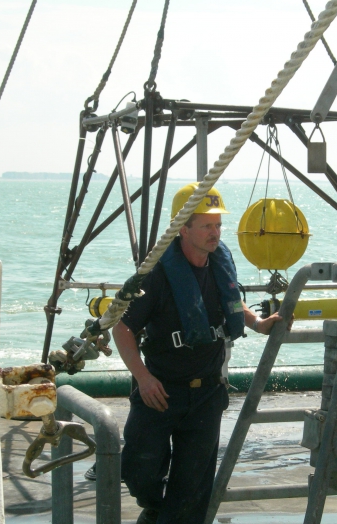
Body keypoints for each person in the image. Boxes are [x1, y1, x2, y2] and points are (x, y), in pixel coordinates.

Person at [113, 183, 288, 524]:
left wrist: (259, 323)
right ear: (183, 228)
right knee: (139, 472)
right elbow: (121, 328)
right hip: (159, 391)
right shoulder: (158, 274)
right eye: (207, 225)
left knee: (192, 491)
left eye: (218, 225)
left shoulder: (220, 264)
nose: (215, 233)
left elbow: (232, 304)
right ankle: (155, 509)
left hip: (207, 393)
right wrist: (143, 378)